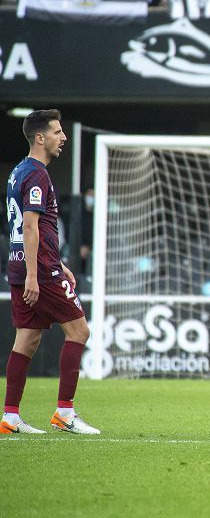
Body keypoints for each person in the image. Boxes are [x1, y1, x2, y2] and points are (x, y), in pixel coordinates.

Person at [1, 110, 100, 436]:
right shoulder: (38, 175)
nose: (64, 137)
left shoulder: (18, 171)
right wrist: (37, 273)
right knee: (79, 332)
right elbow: (30, 225)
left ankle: (10, 416)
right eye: (58, 132)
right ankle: (64, 412)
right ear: (40, 137)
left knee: (27, 340)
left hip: (24, 264)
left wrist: (57, 263)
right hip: (38, 270)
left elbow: (34, 228)